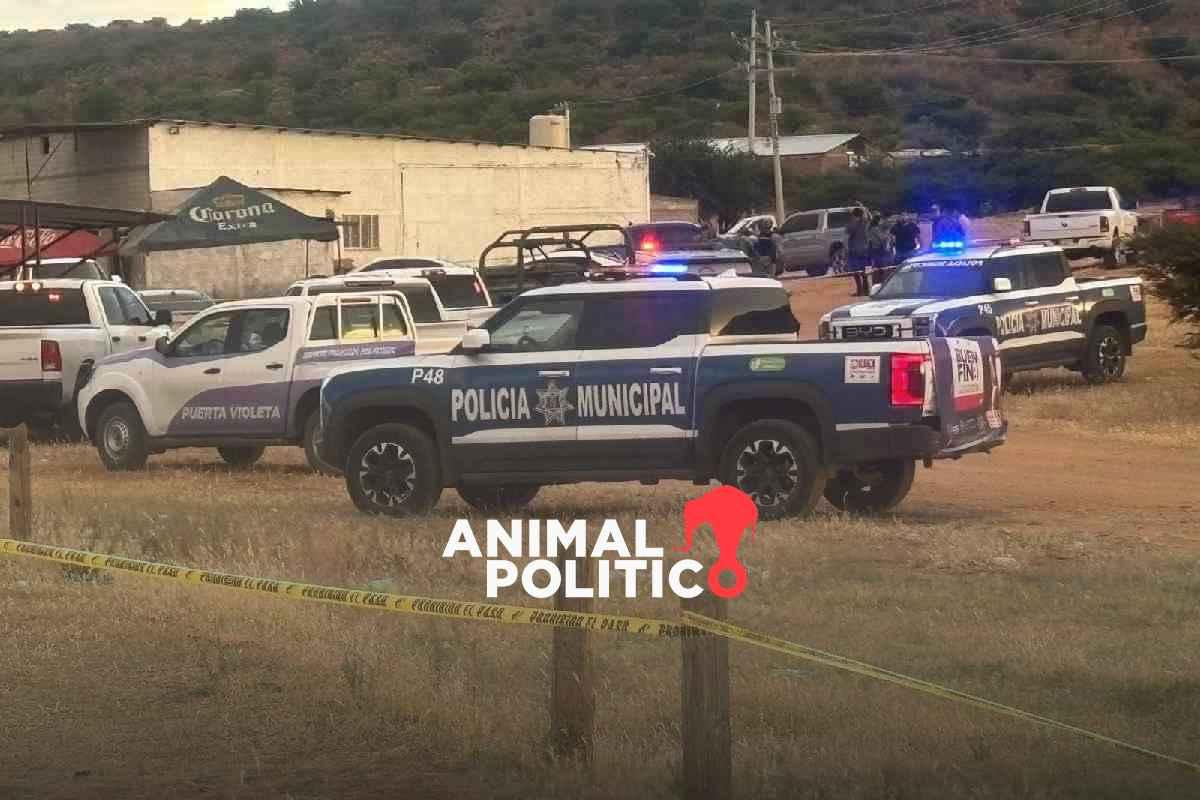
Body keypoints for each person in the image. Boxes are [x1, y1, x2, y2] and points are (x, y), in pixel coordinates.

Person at [845, 207, 871, 296]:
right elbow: (869, 217)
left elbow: (848, 231)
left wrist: (852, 219)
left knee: (856, 271)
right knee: (864, 272)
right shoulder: (865, 222)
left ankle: (860, 290)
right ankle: (866, 290)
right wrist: (864, 208)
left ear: (854, 215)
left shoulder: (853, 224)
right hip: (865, 249)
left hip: (855, 249)